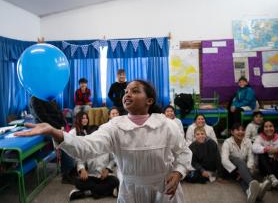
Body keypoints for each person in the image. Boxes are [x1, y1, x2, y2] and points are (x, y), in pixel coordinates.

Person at [16, 80, 192, 203]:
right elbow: (85, 147)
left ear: (149, 100)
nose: (127, 94)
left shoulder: (167, 125)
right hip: (130, 192)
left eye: (135, 90)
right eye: (126, 91)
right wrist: (56, 133)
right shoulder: (115, 126)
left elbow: (183, 153)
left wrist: (178, 172)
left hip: (164, 190)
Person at [68, 112, 119, 200]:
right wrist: (82, 169)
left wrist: (107, 169)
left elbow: (114, 159)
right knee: (77, 182)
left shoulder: (107, 146)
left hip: (105, 176)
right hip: (91, 176)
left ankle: (86, 192)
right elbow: (80, 160)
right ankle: (108, 191)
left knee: (115, 181)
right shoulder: (87, 147)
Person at [29, 96, 75, 184]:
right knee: (64, 142)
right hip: (44, 129)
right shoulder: (35, 98)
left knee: (70, 139)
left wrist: (63, 124)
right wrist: (57, 129)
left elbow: (59, 112)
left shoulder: (49, 96)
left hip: (57, 127)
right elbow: (43, 118)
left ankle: (71, 169)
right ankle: (66, 174)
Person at [221, 123, 270, 203]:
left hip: (243, 169)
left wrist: (249, 169)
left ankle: (250, 193)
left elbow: (251, 157)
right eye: (238, 130)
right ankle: (257, 185)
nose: (241, 132)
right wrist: (236, 172)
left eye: (243, 130)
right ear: (232, 132)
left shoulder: (247, 141)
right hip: (230, 170)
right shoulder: (227, 142)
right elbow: (224, 160)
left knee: (242, 178)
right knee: (237, 160)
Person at [252, 121, 278, 189]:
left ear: (274, 128)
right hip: (265, 167)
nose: (269, 128)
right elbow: (254, 148)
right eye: (266, 127)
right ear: (263, 129)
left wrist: (277, 151)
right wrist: (268, 149)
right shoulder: (259, 138)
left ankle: (270, 178)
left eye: (271, 126)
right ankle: (272, 178)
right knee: (262, 154)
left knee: (277, 155)